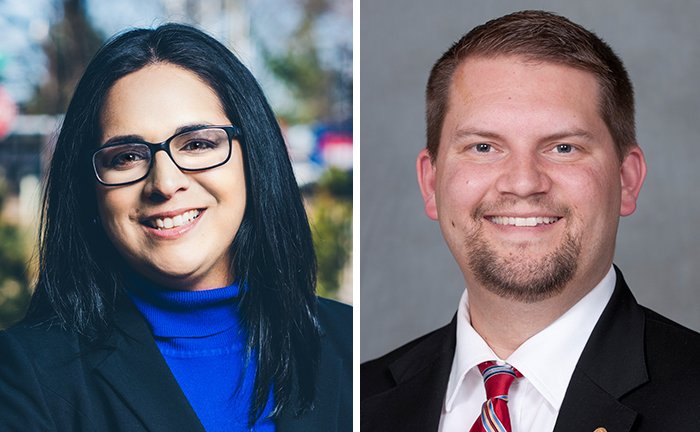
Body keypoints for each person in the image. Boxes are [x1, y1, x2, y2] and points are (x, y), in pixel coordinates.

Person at [0, 23, 350, 432]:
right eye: (126, 156)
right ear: (90, 190)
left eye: (198, 144)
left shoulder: (351, 343)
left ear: (254, 157)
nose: (165, 183)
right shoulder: (28, 376)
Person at [361, 10, 700, 432]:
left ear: (627, 180)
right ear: (431, 183)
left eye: (563, 148)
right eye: (483, 147)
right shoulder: (361, 398)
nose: (523, 183)